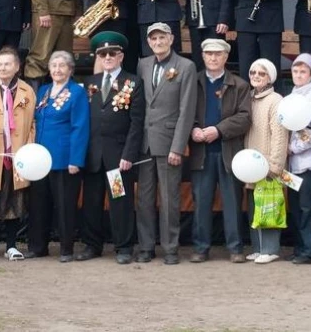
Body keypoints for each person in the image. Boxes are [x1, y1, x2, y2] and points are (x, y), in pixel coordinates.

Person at [77, 32, 146, 265]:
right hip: (93, 156)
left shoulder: (133, 82)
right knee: (92, 203)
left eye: (112, 53)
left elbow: (137, 124)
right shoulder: (90, 83)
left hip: (118, 158)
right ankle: (92, 245)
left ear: (121, 56)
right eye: (102, 54)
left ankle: (124, 246)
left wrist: (129, 155)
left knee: (119, 203)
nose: (107, 57)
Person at [136, 23, 198, 265]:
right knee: (144, 198)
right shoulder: (143, 64)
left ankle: (171, 248)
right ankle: (146, 246)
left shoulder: (186, 66)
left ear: (171, 39)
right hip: (144, 142)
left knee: (170, 198)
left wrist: (178, 146)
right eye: (154, 38)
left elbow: (187, 109)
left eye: (162, 37)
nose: (158, 42)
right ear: (149, 42)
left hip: (169, 142)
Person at [189, 38, 252, 264]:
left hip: (229, 152)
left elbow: (245, 118)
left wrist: (218, 129)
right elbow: (183, 112)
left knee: (232, 202)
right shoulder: (192, 82)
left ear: (226, 57)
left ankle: (235, 248)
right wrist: (193, 129)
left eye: (218, 54)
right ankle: (200, 248)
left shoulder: (240, 85)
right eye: (209, 54)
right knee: (201, 202)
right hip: (201, 153)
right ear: (203, 56)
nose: (213, 58)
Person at [30, 51, 89, 262]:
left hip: (65, 159)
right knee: (39, 204)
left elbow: (80, 127)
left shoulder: (77, 92)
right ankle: (38, 246)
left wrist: (76, 159)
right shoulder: (44, 90)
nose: (57, 70)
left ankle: (66, 249)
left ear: (70, 70)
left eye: (61, 66)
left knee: (65, 206)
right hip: (40, 159)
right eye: (53, 65)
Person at [0, 47, 37, 261]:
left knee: (16, 199)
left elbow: (32, 124)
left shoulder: (27, 92)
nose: (3, 68)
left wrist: (28, 148)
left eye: (7, 64)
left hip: (18, 155)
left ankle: (12, 245)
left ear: (17, 67)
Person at [244, 58, 289, 264]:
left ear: (270, 78)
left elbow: (279, 134)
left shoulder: (276, 100)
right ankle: (258, 247)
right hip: (250, 163)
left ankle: (270, 249)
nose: (256, 77)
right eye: (253, 72)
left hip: (268, 163)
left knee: (269, 204)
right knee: (255, 206)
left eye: (261, 74)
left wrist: (275, 164)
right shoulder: (249, 98)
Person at [287, 53, 311, 264]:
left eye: (303, 71)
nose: (299, 75)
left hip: (307, 162)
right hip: (291, 164)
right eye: (295, 71)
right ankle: (300, 247)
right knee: (295, 206)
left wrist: (294, 147)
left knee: (307, 206)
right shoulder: (293, 93)